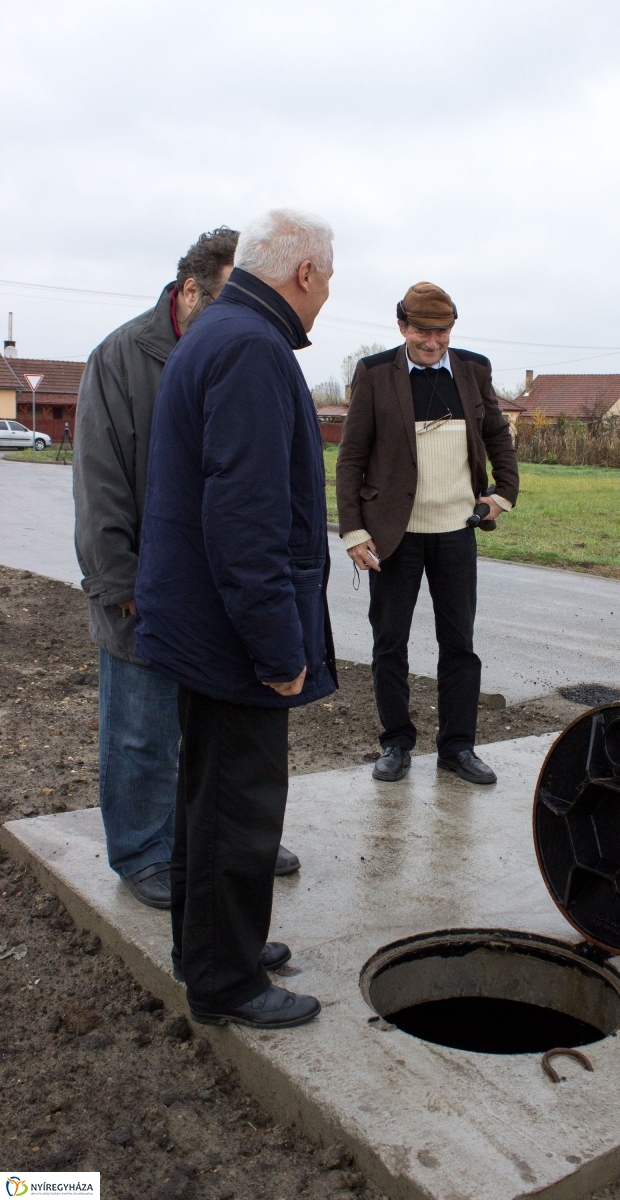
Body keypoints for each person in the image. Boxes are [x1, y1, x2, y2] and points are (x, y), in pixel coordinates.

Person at [134, 208, 335, 1029]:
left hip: (200, 626)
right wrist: (278, 647)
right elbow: (246, 519)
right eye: (329, 282)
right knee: (239, 809)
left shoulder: (216, 331)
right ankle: (227, 984)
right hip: (232, 636)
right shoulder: (253, 348)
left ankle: (209, 948)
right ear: (306, 275)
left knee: (205, 798)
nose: (325, 300)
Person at [336, 282, 519, 785]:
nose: (432, 341)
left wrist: (502, 496)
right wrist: (352, 529)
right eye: (422, 330)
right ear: (402, 327)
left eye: (441, 331)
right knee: (389, 643)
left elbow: (497, 435)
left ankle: (457, 748)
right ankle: (395, 743)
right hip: (394, 537)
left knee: (459, 644)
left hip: (457, 532)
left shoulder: (473, 369)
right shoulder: (375, 374)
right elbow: (351, 455)